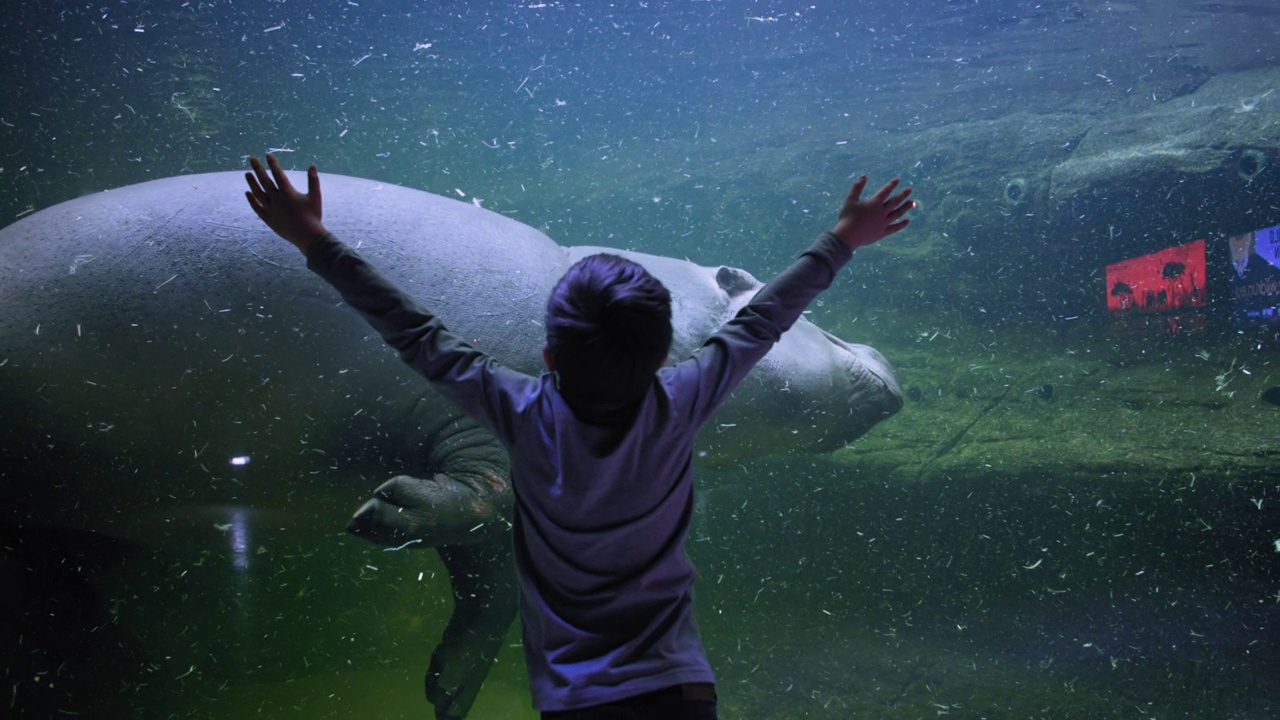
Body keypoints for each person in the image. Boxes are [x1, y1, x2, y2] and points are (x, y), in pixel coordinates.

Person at [243, 154, 914, 719]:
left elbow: (414, 333)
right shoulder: (681, 402)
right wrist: (842, 241)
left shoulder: (516, 404)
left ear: (549, 356)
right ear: (665, 358)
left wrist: (313, 240)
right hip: (677, 681)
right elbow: (761, 322)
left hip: (574, 688)